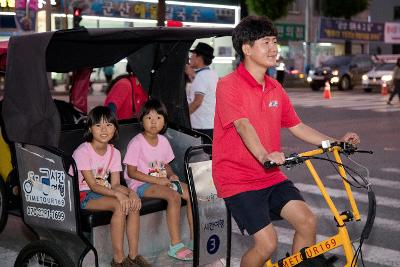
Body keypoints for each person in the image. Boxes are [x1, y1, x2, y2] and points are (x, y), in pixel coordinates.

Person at [212, 16, 360, 267]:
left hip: (270, 175)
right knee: (267, 244)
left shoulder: (275, 88)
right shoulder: (228, 85)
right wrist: (264, 156)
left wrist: (337, 142)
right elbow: (243, 125)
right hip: (238, 179)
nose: (273, 48)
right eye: (265, 42)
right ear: (246, 49)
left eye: (274, 41)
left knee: (307, 221)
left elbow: (297, 126)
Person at [72, 106, 152, 267]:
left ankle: (134, 256)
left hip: (102, 191)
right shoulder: (83, 151)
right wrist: (118, 195)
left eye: (109, 125)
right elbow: (93, 185)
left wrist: (132, 193)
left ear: (115, 129)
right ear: (90, 128)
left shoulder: (114, 153)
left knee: (133, 204)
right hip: (81, 194)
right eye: (98, 125)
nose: (104, 130)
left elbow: (115, 184)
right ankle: (119, 260)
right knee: (119, 204)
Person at [123, 99, 194, 261]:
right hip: (140, 184)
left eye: (158, 118)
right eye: (149, 118)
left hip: (161, 181)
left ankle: (193, 239)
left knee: (192, 194)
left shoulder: (163, 141)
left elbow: (166, 165)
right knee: (173, 195)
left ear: (164, 121)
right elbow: (132, 172)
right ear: (142, 120)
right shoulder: (137, 142)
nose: (154, 122)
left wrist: (171, 175)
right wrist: (159, 181)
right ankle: (175, 245)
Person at [186, 42, 218, 143]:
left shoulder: (201, 76)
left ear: (199, 57)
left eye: (193, 55)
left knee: (202, 157)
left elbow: (197, 102)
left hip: (201, 126)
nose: (191, 58)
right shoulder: (212, 74)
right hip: (210, 124)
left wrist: (184, 116)